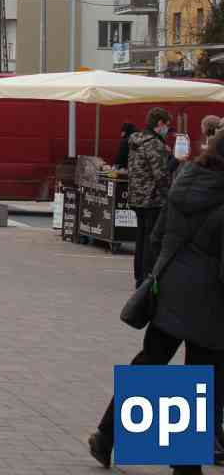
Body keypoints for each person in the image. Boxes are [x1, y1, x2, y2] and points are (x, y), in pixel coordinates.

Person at [88, 131, 224, 473]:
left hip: (169, 287)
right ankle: (185, 464)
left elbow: (157, 236)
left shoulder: (184, 180)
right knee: (202, 375)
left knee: (150, 362)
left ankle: (106, 436)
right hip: (209, 300)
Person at [128, 107, 175, 287]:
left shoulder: (137, 140)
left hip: (137, 196)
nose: (167, 130)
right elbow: (161, 175)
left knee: (141, 238)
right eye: (167, 125)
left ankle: (139, 276)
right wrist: (175, 160)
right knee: (150, 240)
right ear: (160, 123)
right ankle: (146, 278)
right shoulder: (154, 144)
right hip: (152, 198)